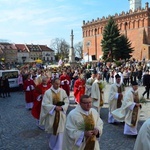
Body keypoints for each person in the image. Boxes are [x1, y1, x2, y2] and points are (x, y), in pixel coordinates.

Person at [39, 78, 69, 150]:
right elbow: (44, 104)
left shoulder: (62, 91)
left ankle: (59, 147)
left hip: (61, 114)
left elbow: (66, 101)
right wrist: (54, 107)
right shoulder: (48, 92)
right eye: (56, 83)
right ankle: (52, 146)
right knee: (52, 131)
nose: (58, 85)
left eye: (59, 83)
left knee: (61, 131)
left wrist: (62, 107)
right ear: (52, 83)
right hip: (52, 115)